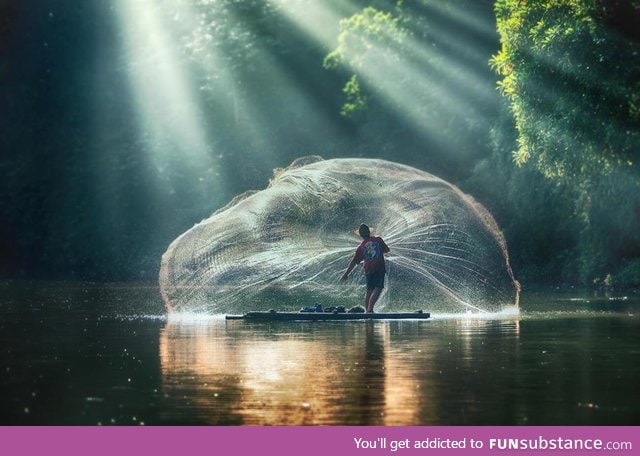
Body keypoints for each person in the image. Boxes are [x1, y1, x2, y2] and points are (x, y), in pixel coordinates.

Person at [340, 223, 390, 313]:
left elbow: (354, 261)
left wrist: (346, 274)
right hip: (379, 267)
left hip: (368, 269)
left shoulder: (361, 247)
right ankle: (370, 309)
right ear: (369, 232)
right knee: (378, 287)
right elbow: (387, 250)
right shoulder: (378, 239)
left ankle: (367, 310)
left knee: (370, 289)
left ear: (360, 235)